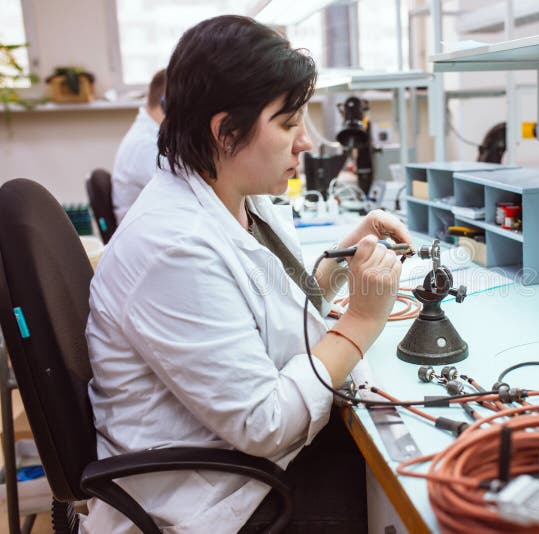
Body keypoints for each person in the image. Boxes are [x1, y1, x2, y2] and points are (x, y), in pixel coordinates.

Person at [84, 15, 411, 534]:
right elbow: (264, 423)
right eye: (287, 124)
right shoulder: (175, 247)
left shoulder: (233, 193)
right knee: (404, 497)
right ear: (226, 131)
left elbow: (273, 301)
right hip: (215, 500)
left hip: (244, 460)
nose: (304, 142)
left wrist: (345, 255)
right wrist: (361, 324)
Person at [111, 68, 166, 223]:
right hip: (146, 230)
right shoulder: (145, 145)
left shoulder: (149, 134)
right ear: (166, 104)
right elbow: (177, 193)